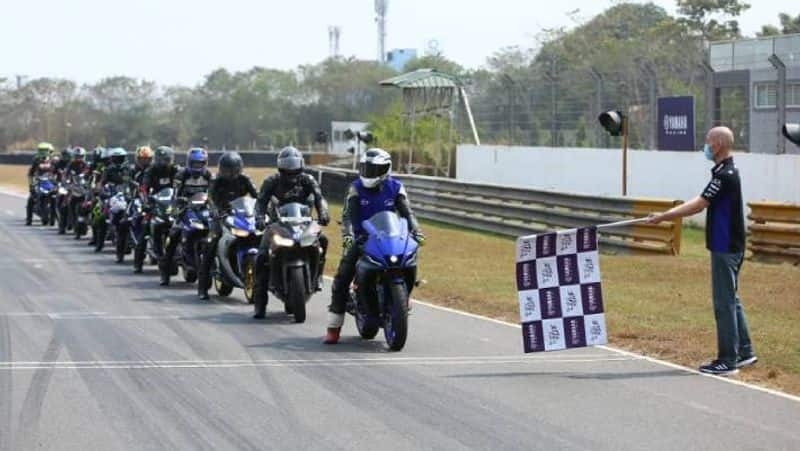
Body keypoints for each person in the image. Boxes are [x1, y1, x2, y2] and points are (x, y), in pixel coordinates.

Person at [647, 126, 756, 377]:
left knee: (724, 302)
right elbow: (701, 199)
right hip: (728, 245)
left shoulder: (725, 175)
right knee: (732, 298)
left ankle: (727, 360)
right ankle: (745, 351)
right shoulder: (723, 171)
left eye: (708, 141)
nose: (705, 146)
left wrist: (665, 216)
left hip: (725, 246)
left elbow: (698, 204)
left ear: (717, 144)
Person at [324, 148, 424, 344]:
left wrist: (416, 230)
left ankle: (403, 299)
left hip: (389, 238)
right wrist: (348, 235)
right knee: (342, 277)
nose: (368, 172)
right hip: (362, 239)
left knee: (409, 259)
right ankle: (334, 327)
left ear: (385, 169)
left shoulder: (395, 187)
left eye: (373, 168)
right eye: (365, 168)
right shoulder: (355, 188)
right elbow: (348, 216)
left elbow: (407, 212)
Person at [252, 146, 331, 319]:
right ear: (280, 168)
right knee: (261, 257)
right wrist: (259, 217)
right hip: (277, 224)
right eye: (287, 169)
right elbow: (260, 202)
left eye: (294, 169)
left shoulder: (308, 180)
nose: (291, 172)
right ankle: (260, 303)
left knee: (323, 240)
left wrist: (323, 213)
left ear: (301, 166)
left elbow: (319, 197)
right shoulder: (271, 181)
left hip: (304, 224)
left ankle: (317, 276)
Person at [197, 151, 258, 300]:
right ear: (221, 169)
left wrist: (263, 208)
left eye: (233, 169)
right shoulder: (216, 181)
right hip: (220, 217)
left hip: (240, 216)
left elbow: (257, 196)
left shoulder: (245, 180)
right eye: (226, 169)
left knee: (258, 236)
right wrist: (215, 210)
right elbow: (210, 198)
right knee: (210, 245)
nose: (230, 173)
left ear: (239, 168)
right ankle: (202, 288)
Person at [159, 148, 213, 286]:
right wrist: (178, 204)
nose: (197, 166)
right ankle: (165, 274)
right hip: (184, 208)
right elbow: (175, 194)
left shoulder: (208, 175)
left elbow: (213, 193)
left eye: (200, 163)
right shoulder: (181, 175)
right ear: (189, 163)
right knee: (173, 235)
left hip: (203, 208)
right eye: (194, 164)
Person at [26, 142, 56, 225]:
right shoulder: (36, 161)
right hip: (39, 183)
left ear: (51, 152)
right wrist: (31, 185)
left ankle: (56, 217)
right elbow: (30, 174)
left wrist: (57, 181)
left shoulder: (54, 161)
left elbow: (60, 173)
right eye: (41, 151)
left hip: (51, 184)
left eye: (45, 151)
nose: (44, 153)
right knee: (31, 199)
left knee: (56, 198)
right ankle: (29, 219)